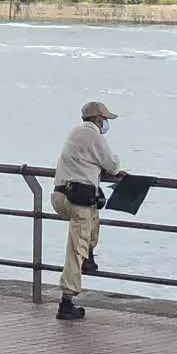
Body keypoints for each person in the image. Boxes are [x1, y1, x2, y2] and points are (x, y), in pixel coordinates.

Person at [51, 100, 123, 320]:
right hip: (78, 200)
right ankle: (66, 301)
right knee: (75, 249)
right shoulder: (94, 136)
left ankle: (89, 257)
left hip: (61, 196)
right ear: (98, 119)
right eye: (106, 120)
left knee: (93, 216)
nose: (106, 124)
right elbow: (112, 165)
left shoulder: (75, 133)